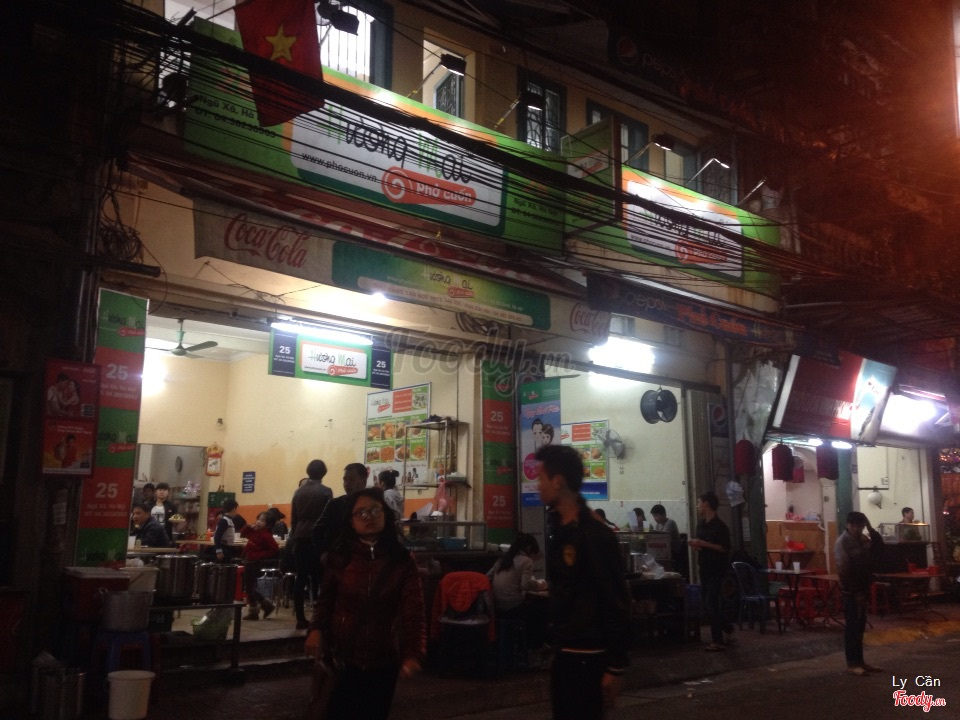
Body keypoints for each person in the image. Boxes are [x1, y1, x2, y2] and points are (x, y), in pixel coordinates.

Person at [304, 488, 425, 720]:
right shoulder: (340, 556)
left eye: (375, 510)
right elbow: (325, 600)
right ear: (351, 520)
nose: (368, 516)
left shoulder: (401, 560)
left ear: (385, 515)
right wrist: (316, 629)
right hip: (343, 656)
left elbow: (414, 610)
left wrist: (414, 653)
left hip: (384, 659)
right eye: (360, 512)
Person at [535, 444, 630, 720]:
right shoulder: (559, 529)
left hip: (590, 656)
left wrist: (615, 667)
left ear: (558, 481)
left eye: (541, 478)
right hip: (565, 652)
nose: (537, 486)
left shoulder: (593, 533)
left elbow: (616, 600)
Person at [835, 511, 884, 676]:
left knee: (860, 626)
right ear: (848, 525)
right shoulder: (843, 543)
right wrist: (856, 593)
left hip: (863, 588)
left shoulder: (862, 539)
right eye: (855, 526)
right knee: (852, 627)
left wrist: (871, 529)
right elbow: (844, 571)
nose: (857, 529)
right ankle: (852, 664)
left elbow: (879, 549)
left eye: (861, 526)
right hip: (852, 592)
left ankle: (860, 662)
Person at [290, 459, 334, 630]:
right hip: (318, 538)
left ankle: (300, 618)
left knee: (300, 577)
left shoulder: (298, 492)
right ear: (324, 473)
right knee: (320, 578)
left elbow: (294, 518)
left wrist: (294, 538)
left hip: (300, 536)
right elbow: (329, 519)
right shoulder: (326, 491)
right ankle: (319, 616)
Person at [487, 533, 548, 650]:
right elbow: (525, 585)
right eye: (533, 552)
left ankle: (521, 646)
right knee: (540, 609)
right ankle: (535, 646)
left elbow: (487, 577)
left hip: (496, 606)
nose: (533, 556)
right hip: (513, 606)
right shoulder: (526, 561)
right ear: (529, 548)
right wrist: (540, 584)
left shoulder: (502, 559)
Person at [688, 490, 730, 651]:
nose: (697, 506)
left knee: (711, 603)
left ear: (706, 504)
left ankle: (718, 641)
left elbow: (724, 548)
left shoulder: (720, 527)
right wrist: (696, 545)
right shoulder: (701, 525)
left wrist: (703, 544)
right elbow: (702, 546)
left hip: (717, 569)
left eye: (699, 502)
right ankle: (727, 628)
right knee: (708, 604)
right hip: (704, 568)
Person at [312, 463, 370, 557]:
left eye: (351, 479)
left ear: (363, 481)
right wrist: (323, 551)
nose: (347, 484)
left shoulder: (371, 505)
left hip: (364, 556)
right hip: (338, 556)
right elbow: (317, 530)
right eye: (345, 480)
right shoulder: (335, 504)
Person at [240, 511, 279, 620]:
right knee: (249, 588)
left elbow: (274, 548)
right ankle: (262, 607)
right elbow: (243, 533)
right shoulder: (255, 531)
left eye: (262, 521)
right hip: (248, 561)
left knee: (250, 588)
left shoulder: (266, 535)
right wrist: (249, 527)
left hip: (254, 563)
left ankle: (260, 608)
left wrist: (260, 555)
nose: (258, 522)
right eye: (258, 519)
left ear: (268, 524)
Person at [213, 498, 240, 562]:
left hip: (229, 547)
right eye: (236, 509)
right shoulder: (224, 521)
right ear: (234, 509)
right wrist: (219, 551)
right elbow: (217, 536)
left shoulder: (229, 520)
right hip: (224, 548)